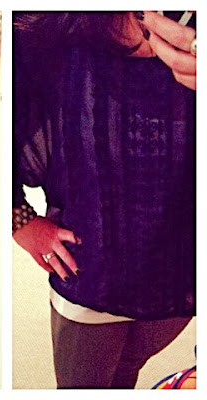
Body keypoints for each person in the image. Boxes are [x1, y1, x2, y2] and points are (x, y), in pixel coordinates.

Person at [13, 11, 196, 389]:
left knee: (127, 370)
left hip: (181, 273)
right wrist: (17, 218)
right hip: (90, 272)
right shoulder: (45, 32)